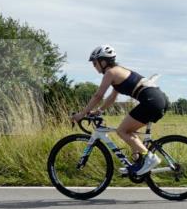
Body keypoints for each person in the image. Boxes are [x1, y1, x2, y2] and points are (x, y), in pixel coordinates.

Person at [71, 45, 170, 175]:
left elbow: (98, 96)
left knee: (121, 131)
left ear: (103, 61)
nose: (94, 66)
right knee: (129, 131)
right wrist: (99, 111)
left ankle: (149, 158)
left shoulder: (110, 73)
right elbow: (112, 97)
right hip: (157, 99)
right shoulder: (118, 71)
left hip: (151, 101)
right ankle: (139, 163)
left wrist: (81, 114)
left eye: (95, 63)